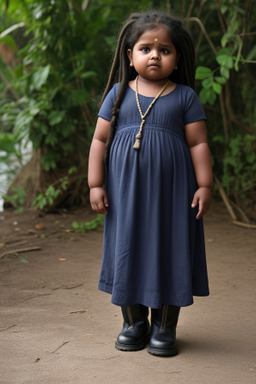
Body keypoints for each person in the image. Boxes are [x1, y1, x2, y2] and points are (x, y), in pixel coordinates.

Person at [88, 10, 213, 357]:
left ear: (177, 59)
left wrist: (204, 184)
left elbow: (198, 143)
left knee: (170, 247)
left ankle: (164, 326)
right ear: (130, 56)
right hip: (125, 194)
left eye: (165, 50)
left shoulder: (184, 96)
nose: (155, 55)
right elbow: (99, 141)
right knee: (128, 246)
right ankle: (134, 323)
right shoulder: (117, 95)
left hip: (173, 195)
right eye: (145, 48)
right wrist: (95, 183)